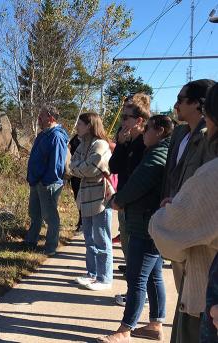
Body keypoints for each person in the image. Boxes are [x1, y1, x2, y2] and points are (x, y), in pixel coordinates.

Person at [149, 82, 218, 343]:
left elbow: (166, 231)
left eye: (181, 99)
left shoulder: (211, 165)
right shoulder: (180, 135)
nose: (175, 105)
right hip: (188, 238)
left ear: (204, 108)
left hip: (201, 265)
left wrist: (172, 217)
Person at [97, 115, 174, 343]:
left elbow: (138, 182)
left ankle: (125, 330)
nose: (144, 133)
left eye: (148, 128)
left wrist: (118, 200)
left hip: (145, 224)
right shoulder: (159, 150)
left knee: (137, 277)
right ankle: (155, 325)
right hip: (150, 222)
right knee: (153, 276)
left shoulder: (158, 154)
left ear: (159, 130)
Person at [108, 93, 151, 307]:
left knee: (139, 258)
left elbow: (140, 177)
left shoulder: (146, 142)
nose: (122, 122)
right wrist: (122, 145)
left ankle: (137, 296)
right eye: (122, 116)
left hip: (137, 207)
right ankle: (134, 293)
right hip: (124, 204)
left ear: (139, 120)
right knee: (128, 252)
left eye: (126, 117)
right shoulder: (126, 139)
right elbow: (114, 167)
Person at [70, 112, 113, 291]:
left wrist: (79, 168)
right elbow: (72, 164)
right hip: (86, 197)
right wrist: (79, 167)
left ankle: (105, 278)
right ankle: (92, 274)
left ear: (89, 125)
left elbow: (91, 168)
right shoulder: (82, 144)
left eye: (80, 124)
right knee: (89, 239)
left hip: (100, 198)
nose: (76, 127)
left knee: (102, 239)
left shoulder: (101, 144)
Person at [24, 106, 69, 256]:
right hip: (36, 181)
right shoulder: (43, 135)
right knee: (34, 213)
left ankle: (50, 248)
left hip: (48, 183)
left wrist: (46, 181)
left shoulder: (56, 136)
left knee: (50, 217)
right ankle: (31, 241)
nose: (38, 119)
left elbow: (57, 163)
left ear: (50, 118)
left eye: (41, 117)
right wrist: (33, 178)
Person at [68, 133, 82, 233]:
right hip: (75, 175)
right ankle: (81, 221)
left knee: (83, 200)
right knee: (77, 198)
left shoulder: (92, 139)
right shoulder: (75, 138)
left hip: (84, 174)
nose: (78, 127)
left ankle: (82, 223)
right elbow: (69, 151)